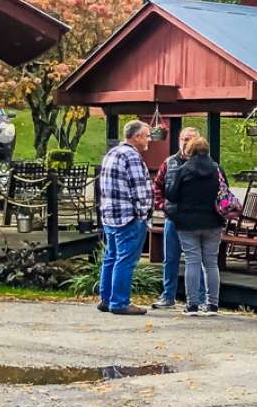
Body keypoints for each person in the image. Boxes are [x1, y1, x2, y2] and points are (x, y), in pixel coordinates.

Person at [163, 129, 226, 316]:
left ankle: (192, 305)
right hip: (213, 221)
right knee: (211, 263)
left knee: (192, 261)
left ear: (189, 151)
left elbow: (171, 195)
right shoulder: (217, 169)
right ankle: (213, 305)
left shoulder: (183, 170)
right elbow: (225, 192)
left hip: (188, 223)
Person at [96, 121, 155, 316]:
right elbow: (140, 190)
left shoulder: (111, 153)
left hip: (109, 215)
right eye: (146, 135)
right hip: (128, 217)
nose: (149, 140)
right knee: (126, 260)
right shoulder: (131, 156)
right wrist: (144, 214)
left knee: (110, 257)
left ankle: (106, 298)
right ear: (136, 136)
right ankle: (120, 302)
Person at [154, 135, 188, 310]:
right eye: (183, 138)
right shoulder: (169, 162)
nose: (186, 142)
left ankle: (197, 298)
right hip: (172, 218)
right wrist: (162, 205)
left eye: (190, 139)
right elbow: (157, 185)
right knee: (170, 258)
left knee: (196, 260)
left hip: (194, 220)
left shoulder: (207, 164)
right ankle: (168, 296)